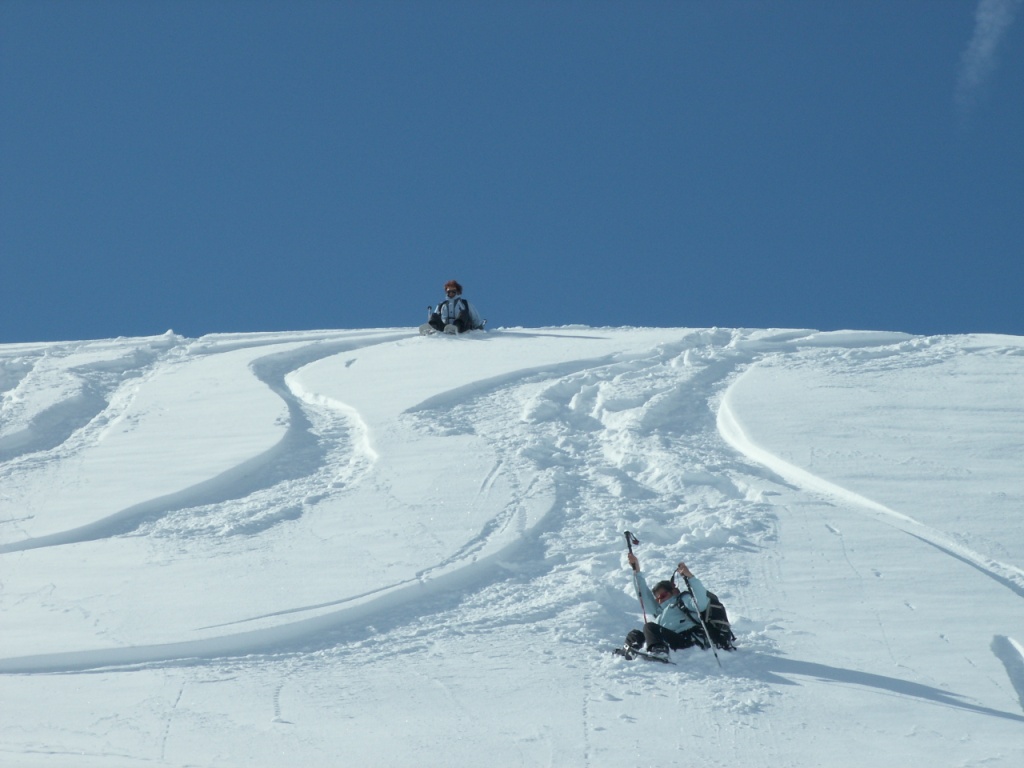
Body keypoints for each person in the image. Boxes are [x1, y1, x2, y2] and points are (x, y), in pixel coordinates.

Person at [621, 553, 713, 659]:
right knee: (635, 634)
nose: (660, 600)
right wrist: (636, 570)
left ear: (674, 591)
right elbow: (644, 597)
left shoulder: (683, 600)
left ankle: (659, 651)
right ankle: (631, 651)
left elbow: (701, 604)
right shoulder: (661, 611)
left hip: (688, 640)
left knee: (649, 627)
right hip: (671, 639)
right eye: (658, 599)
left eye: (663, 595)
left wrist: (690, 577)